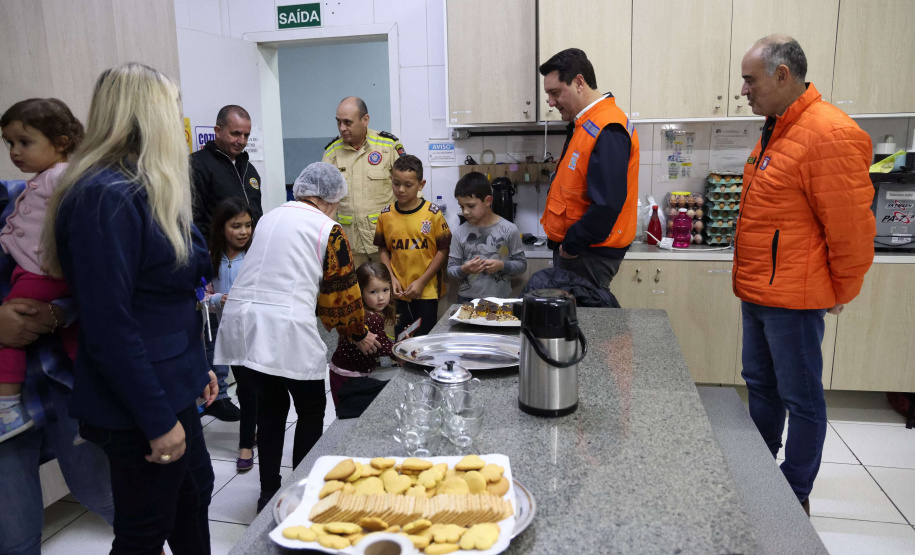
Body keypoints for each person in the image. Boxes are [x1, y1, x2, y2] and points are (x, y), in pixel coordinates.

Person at [42, 62, 219, 554]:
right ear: (149, 116)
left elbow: (166, 299)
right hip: (140, 400)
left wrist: (196, 368)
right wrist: (157, 421)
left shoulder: (147, 185)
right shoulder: (106, 196)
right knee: (144, 531)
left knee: (194, 497)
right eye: (173, 110)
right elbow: (110, 326)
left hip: (171, 379)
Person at [732, 35, 876, 515]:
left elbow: (852, 230)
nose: (744, 90)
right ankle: (760, 475)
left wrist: (841, 290)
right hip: (759, 289)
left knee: (802, 398)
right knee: (760, 385)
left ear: (782, 75)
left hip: (795, 297)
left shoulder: (829, 133)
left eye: (750, 80)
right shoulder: (777, 128)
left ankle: (793, 494)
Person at [214, 162, 381, 512]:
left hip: (244, 323)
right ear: (329, 199)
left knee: (270, 412)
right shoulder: (329, 229)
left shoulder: (270, 217)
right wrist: (358, 332)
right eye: (337, 203)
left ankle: (267, 494)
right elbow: (341, 295)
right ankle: (301, 493)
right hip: (285, 325)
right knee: (310, 410)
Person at [0, 179, 115, 555]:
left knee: (105, 495)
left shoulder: (34, 193)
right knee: (16, 537)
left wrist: (56, 312)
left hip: (65, 382)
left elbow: (96, 280)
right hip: (5, 408)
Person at [0, 99, 83, 442]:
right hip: (37, 274)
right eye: (9, 143)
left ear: (60, 142)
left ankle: (6, 408)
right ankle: (95, 402)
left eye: (24, 142)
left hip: (40, 275)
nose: (15, 152)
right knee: (76, 341)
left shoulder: (60, 177)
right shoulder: (42, 181)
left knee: (8, 333)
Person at [539, 48, 640, 290]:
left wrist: (571, 246)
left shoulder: (608, 127)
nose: (550, 103)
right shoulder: (586, 124)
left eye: (555, 93)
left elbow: (607, 205)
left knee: (585, 314)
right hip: (581, 252)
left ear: (579, 82)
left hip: (586, 254)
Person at [190, 105, 261, 421]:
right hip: (213, 259)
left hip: (247, 257)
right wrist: (202, 263)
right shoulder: (198, 165)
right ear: (217, 131)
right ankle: (216, 395)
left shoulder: (248, 168)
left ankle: (246, 389)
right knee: (213, 330)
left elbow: (257, 214)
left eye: (246, 134)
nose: (241, 140)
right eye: (235, 133)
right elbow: (193, 218)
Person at [204, 198, 257, 472]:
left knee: (256, 389)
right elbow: (201, 294)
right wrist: (217, 300)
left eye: (248, 225)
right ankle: (249, 439)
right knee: (247, 390)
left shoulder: (257, 255)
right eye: (236, 226)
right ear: (221, 227)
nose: (243, 231)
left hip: (258, 334)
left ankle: (248, 440)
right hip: (231, 336)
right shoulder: (210, 257)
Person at [322, 96, 406, 268]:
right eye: (338, 122)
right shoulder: (332, 152)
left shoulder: (388, 146)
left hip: (385, 241)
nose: (342, 128)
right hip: (350, 244)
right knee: (355, 286)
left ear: (365, 120)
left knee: (389, 284)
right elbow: (324, 201)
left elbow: (411, 190)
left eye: (347, 122)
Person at [374, 155, 451, 338]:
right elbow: (383, 250)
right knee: (401, 338)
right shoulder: (385, 215)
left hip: (426, 290)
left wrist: (422, 281)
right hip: (399, 290)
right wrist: (391, 278)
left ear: (421, 184)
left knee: (424, 339)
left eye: (408, 185)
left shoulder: (432, 214)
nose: (401, 189)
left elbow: (443, 250)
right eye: (396, 183)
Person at [447, 171, 527, 303]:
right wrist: (464, 269)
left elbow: (522, 265)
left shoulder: (509, 229)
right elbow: (451, 269)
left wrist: (501, 265)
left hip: (499, 300)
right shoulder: (459, 232)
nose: (465, 212)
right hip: (466, 300)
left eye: (471, 206)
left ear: (488, 201)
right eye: (461, 206)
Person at [328, 261, 396, 412]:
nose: (381, 297)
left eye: (385, 290)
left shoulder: (363, 311)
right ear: (360, 292)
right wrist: (400, 352)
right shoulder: (370, 317)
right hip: (347, 375)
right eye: (373, 292)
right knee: (349, 412)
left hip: (342, 370)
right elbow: (381, 345)